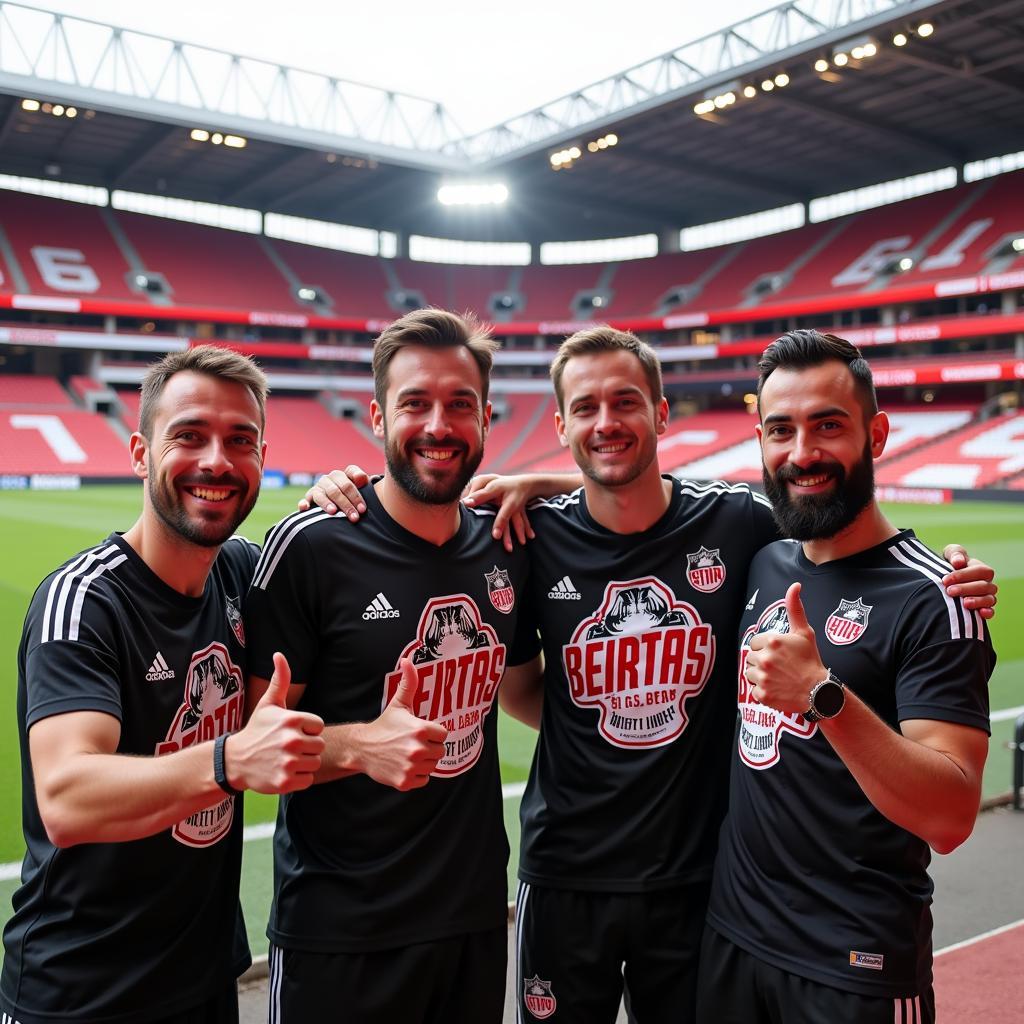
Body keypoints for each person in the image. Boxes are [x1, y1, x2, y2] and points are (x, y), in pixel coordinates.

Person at [307, 324, 997, 1024]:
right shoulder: (529, 532)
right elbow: (518, 683)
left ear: (663, 414)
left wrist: (949, 578)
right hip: (569, 875)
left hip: (700, 885)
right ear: (561, 423)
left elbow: (849, 539)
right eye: (585, 408)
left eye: (627, 402)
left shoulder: (740, 526)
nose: (607, 422)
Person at [1, 345, 325, 1024]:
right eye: (189, 435)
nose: (216, 461)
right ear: (140, 453)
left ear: (262, 457)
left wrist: (328, 501)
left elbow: (326, 553)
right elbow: (66, 797)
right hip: (83, 995)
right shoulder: (85, 601)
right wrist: (229, 759)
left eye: (240, 440)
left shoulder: (240, 571)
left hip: (203, 981)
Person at [244, 309, 537, 1024]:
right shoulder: (309, 547)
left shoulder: (508, 542)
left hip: (470, 920)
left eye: (459, 404)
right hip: (340, 933)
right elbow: (246, 746)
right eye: (415, 403)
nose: (438, 424)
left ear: (487, 418)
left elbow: (527, 692)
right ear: (377, 415)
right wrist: (357, 745)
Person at [697, 330, 995, 1024]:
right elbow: (650, 502)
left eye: (827, 426)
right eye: (781, 430)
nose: (802, 454)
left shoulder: (938, 600)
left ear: (877, 434)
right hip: (731, 941)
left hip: (853, 968)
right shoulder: (765, 557)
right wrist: (535, 483)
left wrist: (821, 695)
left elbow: (951, 816)